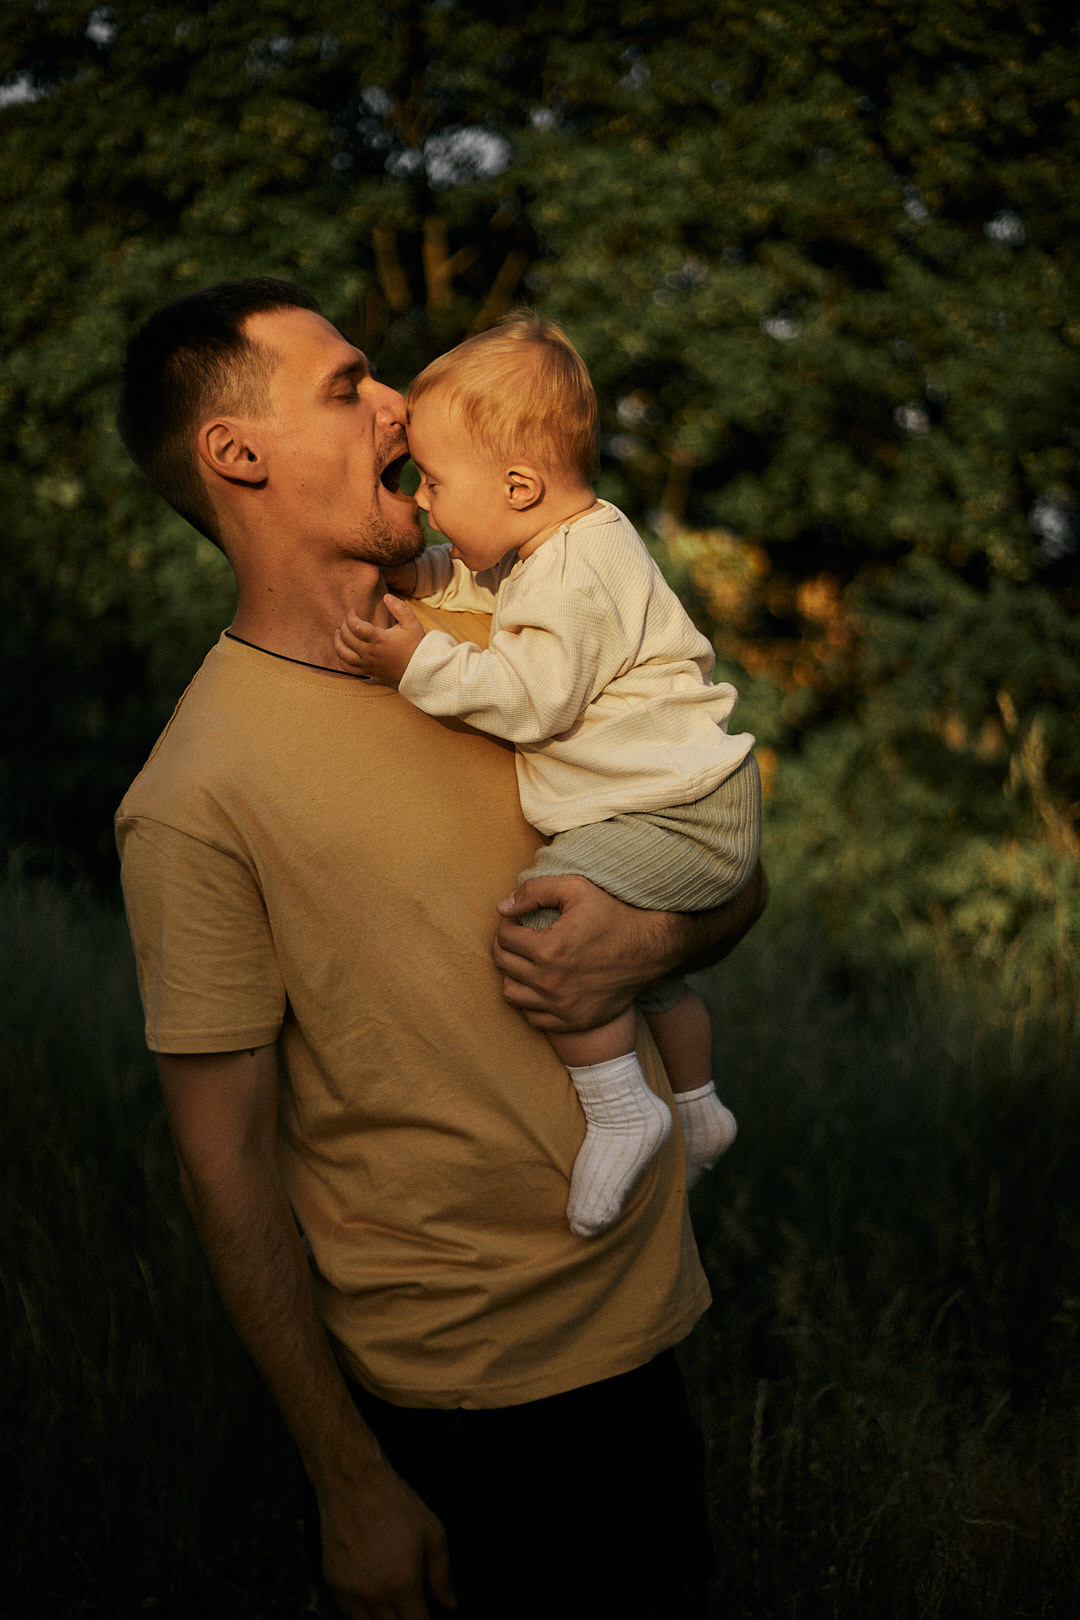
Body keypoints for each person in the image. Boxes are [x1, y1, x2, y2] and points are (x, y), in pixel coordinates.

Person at [113, 277, 767, 1620]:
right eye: (347, 386)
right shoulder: (193, 794)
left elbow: (731, 873)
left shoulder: (510, 618)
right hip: (450, 1400)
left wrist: (644, 944)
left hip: (644, 1337)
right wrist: (347, 1479)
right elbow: (222, 1158)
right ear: (238, 455)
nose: (396, 403)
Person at [335, 315, 759, 1238]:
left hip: (678, 814)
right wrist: (425, 580)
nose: (425, 499)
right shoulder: (558, 547)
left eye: (437, 483)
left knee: (546, 915)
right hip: (691, 803)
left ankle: (621, 1107)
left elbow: (534, 700)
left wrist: (415, 665)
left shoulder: (576, 574)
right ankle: (698, 1106)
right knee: (649, 982)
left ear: (518, 485)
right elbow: (487, 584)